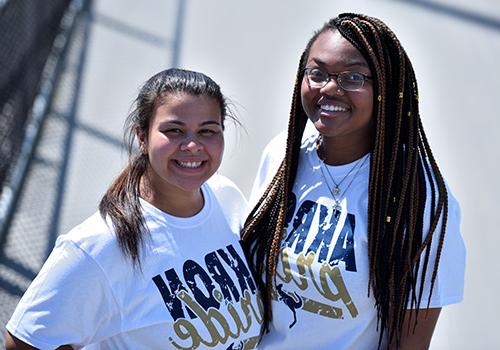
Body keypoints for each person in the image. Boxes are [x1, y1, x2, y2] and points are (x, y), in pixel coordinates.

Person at [242, 13, 465, 350]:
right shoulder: (283, 155)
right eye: (317, 73)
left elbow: (409, 343)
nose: (329, 88)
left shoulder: (416, 193)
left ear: (387, 90)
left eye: (353, 77)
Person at [5, 68, 263, 349]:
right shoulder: (97, 246)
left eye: (208, 131)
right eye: (174, 130)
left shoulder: (227, 198)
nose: (192, 145)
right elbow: (25, 341)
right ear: (142, 136)